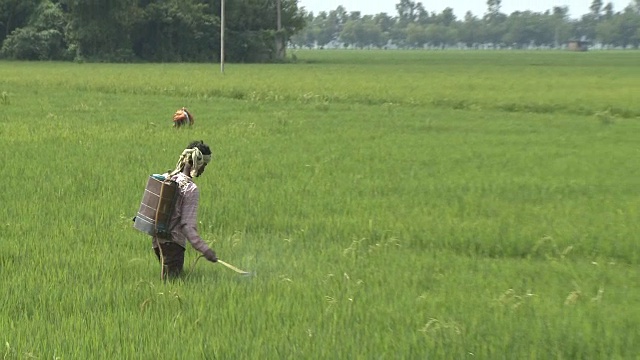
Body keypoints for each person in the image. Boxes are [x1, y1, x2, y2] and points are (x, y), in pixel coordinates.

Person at [153, 140, 218, 279]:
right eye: (204, 165)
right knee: (173, 285)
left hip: (157, 241)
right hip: (174, 244)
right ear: (196, 163)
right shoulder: (190, 189)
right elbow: (187, 226)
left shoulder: (167, 178)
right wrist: (205, 250)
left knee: (168, 281)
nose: (203, 169)